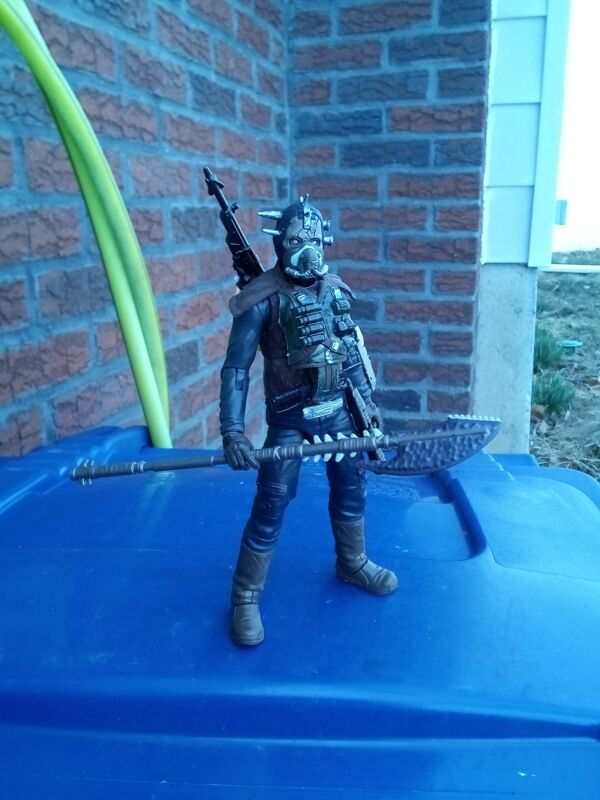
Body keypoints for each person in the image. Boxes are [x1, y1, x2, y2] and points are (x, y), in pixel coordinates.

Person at [220, 196, 397, 646]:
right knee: (272, 501)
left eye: (314, 240)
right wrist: (233, 431)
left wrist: (368, 407)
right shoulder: (261, 300)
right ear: (279, 243)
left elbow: (350, 352)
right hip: (289, 419)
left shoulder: (335, 291)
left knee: (352, 485)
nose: (307, 250)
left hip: (339, 412)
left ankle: (352, 562)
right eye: (296, 240)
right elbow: (236, 370)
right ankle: (245, 596)